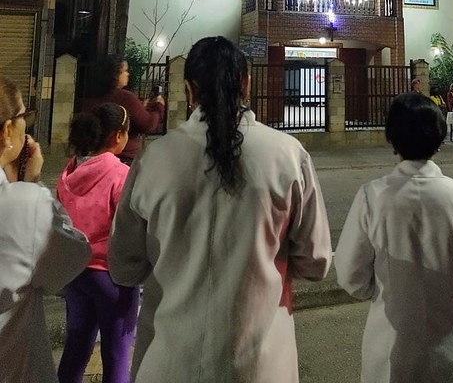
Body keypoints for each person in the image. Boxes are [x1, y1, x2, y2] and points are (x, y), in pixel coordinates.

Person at [109, 36, 331, 383]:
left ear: (188, 89)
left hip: (170, 361)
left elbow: (123, 266)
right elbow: (316, 261)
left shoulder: (154, 160)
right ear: (246, 83)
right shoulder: (288, 154)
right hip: (260, 364)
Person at [335, 92, 453, 383]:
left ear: (392, 139)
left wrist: (386, 290)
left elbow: (351, 276)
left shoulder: (373, 195)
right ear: (439, 140)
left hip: (390, 346)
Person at [0, 75, 90, 383]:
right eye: (23, 116)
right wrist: (32, 185)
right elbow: (73, 258)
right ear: (7, 131)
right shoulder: (25, 206)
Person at [57, 104, 139, 383]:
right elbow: (129, 227)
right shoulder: (120, 174)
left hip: (74, 273)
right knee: (116, 355)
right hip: (111, 277)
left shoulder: (68, 174)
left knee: (76, 347)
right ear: (118, 136)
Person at [86, 55, 158, 164]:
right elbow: (148, 124)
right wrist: (158, 107)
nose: (127, 74)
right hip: (124, 159)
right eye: (125, 71)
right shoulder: (126, 98)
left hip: (95, 158)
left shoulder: (91, 97)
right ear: (115, 74)